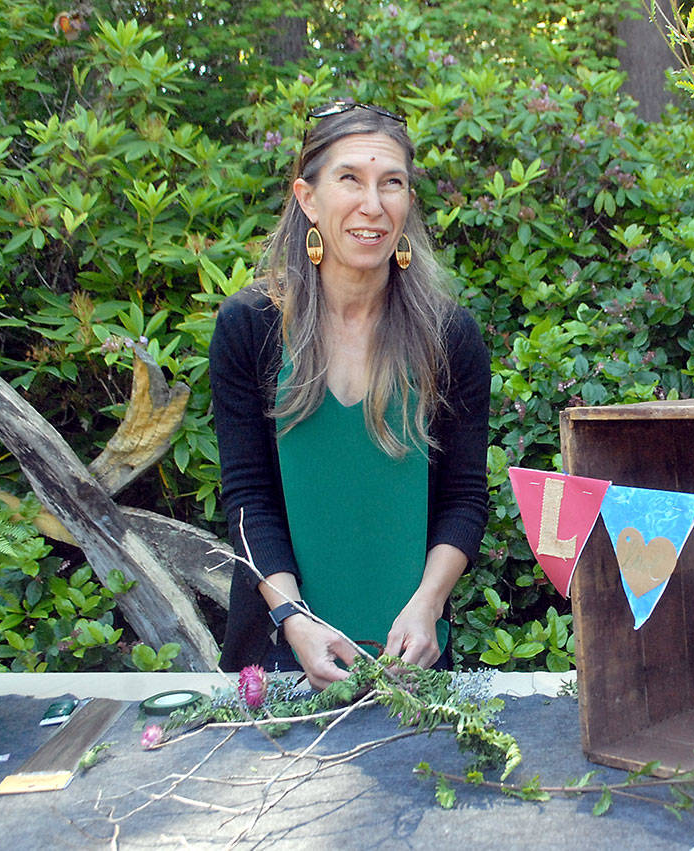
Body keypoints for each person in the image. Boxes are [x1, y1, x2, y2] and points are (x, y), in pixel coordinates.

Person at [210, 102, 489, 689]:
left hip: (412, 666)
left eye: (393, 183)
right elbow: (246, 499)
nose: (373, 205)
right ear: (307, 199)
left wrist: (428, 607)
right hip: (279, 660)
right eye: (350, 180)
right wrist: (292, 617)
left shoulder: (450, 336)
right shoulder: (250, 327)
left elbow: (463, 499)